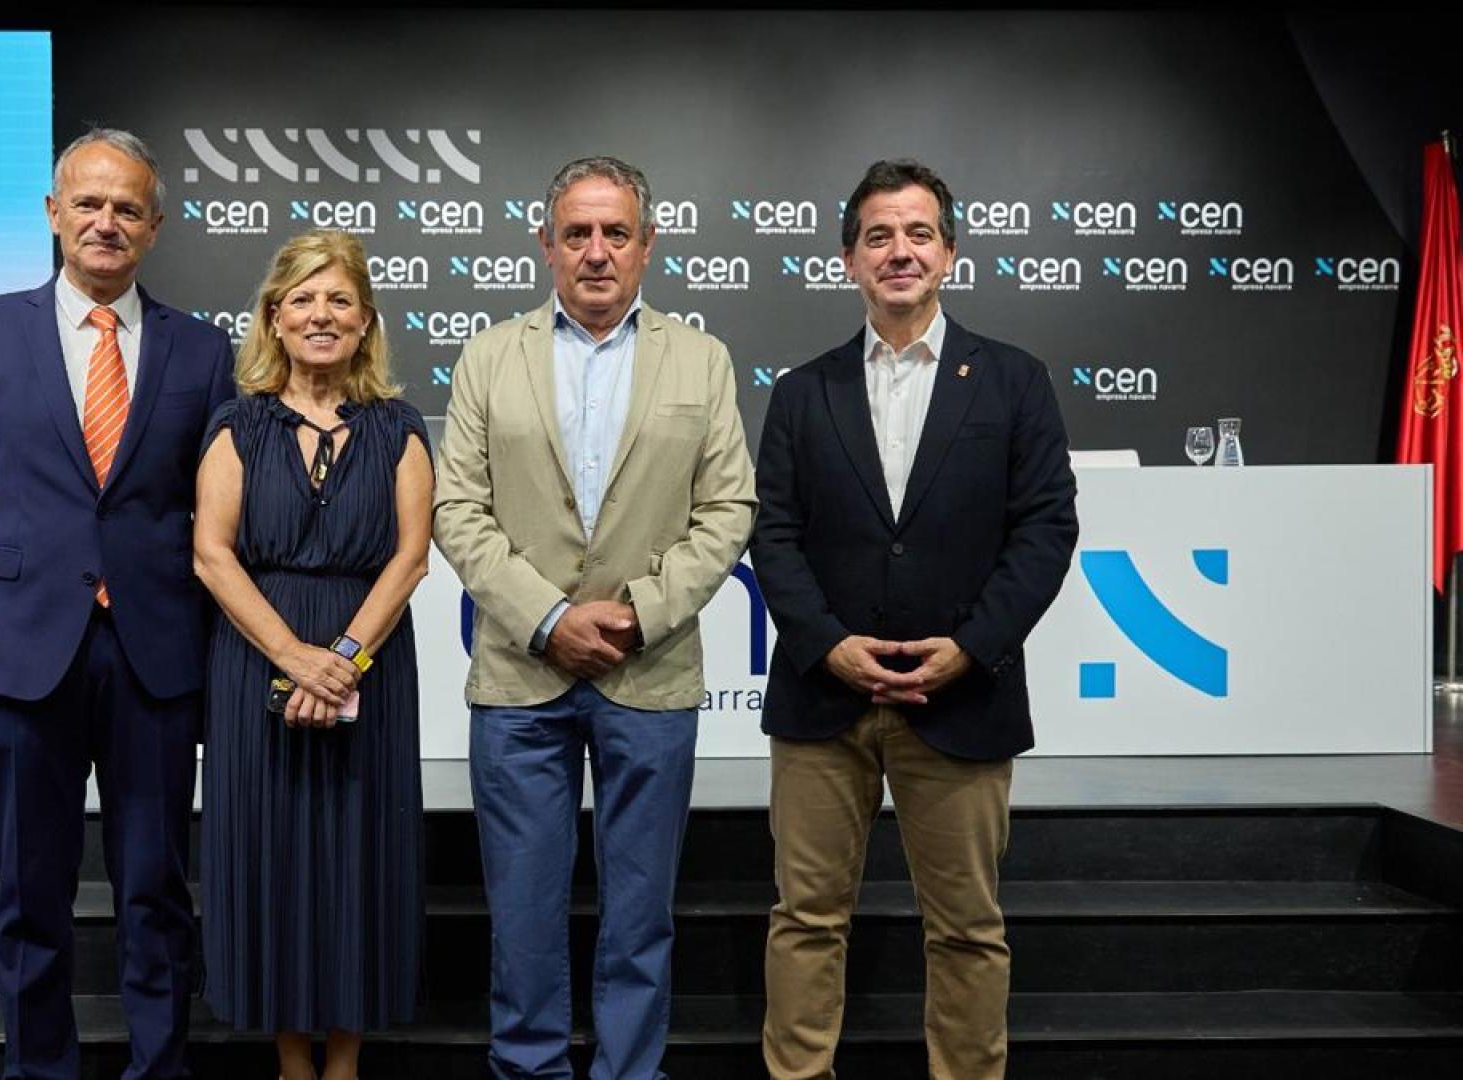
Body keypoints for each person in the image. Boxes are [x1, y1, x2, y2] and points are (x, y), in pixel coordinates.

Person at [0, 128, 235, 1080]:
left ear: (156, 227)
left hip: (155, 660)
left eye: (127, 208)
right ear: (53, 214)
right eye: (88, 204)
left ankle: (159, 1067)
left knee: (156, 892)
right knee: (30, 893)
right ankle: (37, 1068)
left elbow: (220, 524)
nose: (106, 222)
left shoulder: (202, 349)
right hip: (16, 656)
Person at [751, 159, 1079, 1080]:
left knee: (969, 929)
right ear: (849, 258)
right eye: (879, 236)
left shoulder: (1014, 381)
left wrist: (970, 649)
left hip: (963, 699)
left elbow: (1048, 527)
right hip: (824, 700)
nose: (900, 251)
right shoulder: (803, 390)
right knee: (806, 920)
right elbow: (773, 534)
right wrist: (830, 644)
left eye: (919, 233)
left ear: (950, 253)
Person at [434, 156, 757, 1080]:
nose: (597, 251)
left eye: (617, 233)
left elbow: (728, 509)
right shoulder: (490, 355)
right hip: (520, 678)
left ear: (648, 245)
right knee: (525, 913)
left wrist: (635, 614)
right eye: (577, 233)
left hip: (648, 674)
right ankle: (528, 1068)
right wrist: (547, 619)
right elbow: (458, 509)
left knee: (640, 914)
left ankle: (629, 1072)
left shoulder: (701, 360)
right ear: (545, 244)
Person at [194, 229, 432, 1080]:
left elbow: (409, 558)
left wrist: (343, 661)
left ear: (366, 321)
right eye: (302, 299)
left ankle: (347, 1062)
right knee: (271, 860)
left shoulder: (400, 428)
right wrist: (295, 656)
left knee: (359, 860)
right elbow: (211, 555)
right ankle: (293, 1062)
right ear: (273, 318)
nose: (321, 315)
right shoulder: (236, 424)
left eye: (339, 300)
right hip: (259, 654)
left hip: (366, 659)